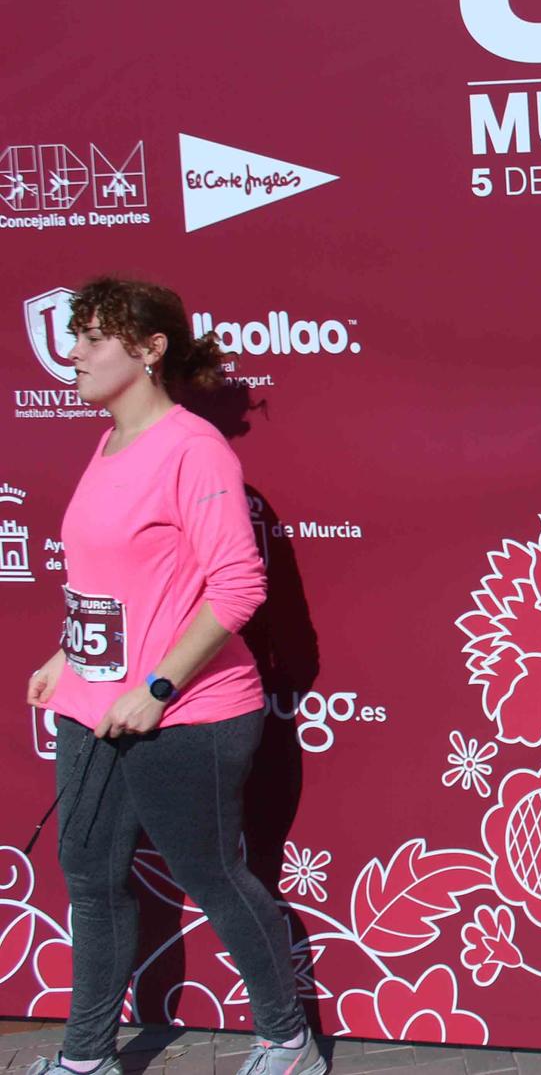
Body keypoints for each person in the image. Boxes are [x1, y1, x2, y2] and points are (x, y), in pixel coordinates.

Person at [23, 278, 323, 1075]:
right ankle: (85, 1057)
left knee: (212, 875)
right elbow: (120, 580)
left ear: (151, 350)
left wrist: (155, 689)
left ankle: (288, 1038)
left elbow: (237, 588)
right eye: (76, 335)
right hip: (90, 707)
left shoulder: (194, 449)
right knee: (90, 881)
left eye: (94, 337)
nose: (74, 352)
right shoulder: (111, 440)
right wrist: (67, 654)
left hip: (189, 711)